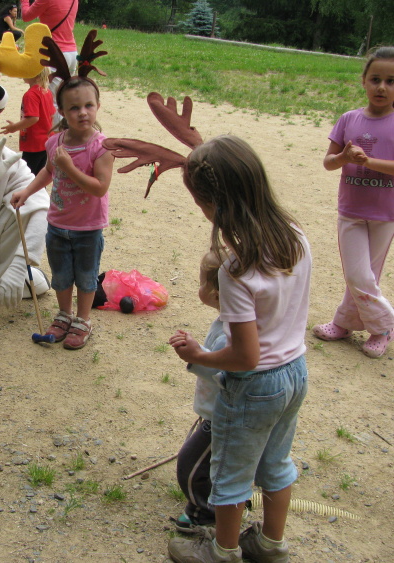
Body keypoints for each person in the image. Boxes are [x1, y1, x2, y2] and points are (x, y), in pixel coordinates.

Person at [167, 135, 311, 563]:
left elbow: (245, 357)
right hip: (295, 372)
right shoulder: (296, 237)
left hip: (254, 386)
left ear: (214, 206)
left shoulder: (235, 270)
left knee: (229, 471)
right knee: (276, 465)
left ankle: (223, 550)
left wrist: (198, 355)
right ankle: (270, 544)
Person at [11, 74, 114, 350]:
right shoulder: (55, 142)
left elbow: (100, 188)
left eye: (88, 105)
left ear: (98, 106)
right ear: (62, 111)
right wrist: (27, 191)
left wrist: (69, 168)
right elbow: (48, 171)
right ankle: (64, 315)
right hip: (57, 224)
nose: (83, 113)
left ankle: (83, 320)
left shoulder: (102, 147)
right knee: (61, 275)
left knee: (86, 277)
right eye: (74, 108)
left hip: (88, 228)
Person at [311, 46, 394, 358]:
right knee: (357, 275)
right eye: (375, 79)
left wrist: (368, 161)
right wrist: (344, 157)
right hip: (351, 210)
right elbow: (328, 162)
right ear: (363, 81)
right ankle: (384, 325)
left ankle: (346, 323)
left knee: (365, 276)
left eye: (391, 81)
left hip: (385, 213)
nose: (382, 87)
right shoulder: (349, 119)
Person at [172, 250, 224, 533]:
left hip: (222, 418)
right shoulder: (229, 320)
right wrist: (200, 349)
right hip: (215, 413)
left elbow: (226, 373)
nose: (199, 287)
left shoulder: (231, 332)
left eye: (202, 282)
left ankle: (205, 512)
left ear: (216, 293)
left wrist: (195, 356)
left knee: (191, 465)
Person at [19, 0, 77, 105]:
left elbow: (26, 16)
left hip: (54, 54)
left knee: (49, 101)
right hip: (72, 52)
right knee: (63, 100)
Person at [0, 67, 53, 176]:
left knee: (26, 174)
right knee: (38, 174)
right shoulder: (46, 92)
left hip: (34, 143)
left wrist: (14, 127)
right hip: (45, 141)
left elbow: (33, 118)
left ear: (36, 76)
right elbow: (52, 114)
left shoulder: (31, 95)